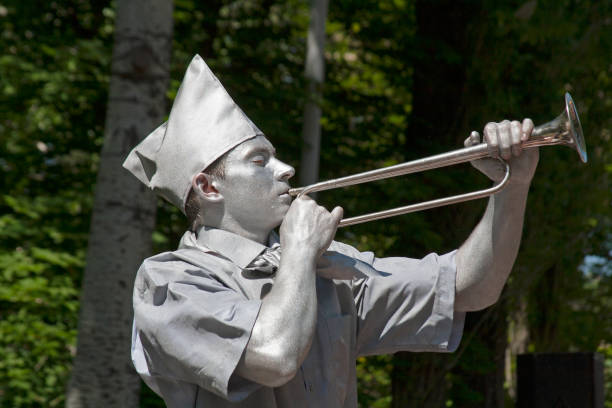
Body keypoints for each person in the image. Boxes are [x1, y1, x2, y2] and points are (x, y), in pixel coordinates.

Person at [123, 55, 538, 408]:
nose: (284, 170)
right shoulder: (169, 282)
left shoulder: (325, 264)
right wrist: (300, 252)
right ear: (209, 187)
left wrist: (512, 187)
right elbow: (273, 356)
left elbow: (470, 288)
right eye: (259, 160)